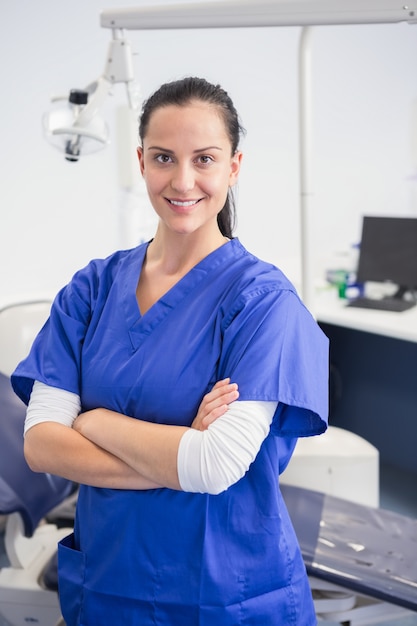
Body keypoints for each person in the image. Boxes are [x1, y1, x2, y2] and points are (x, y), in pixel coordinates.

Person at [12, 76, 329, 625]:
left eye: (204, 158)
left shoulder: (262, 301)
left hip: (226, 593)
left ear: (233, 166)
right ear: (141, 162)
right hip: (112, 583)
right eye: (164, 157)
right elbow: (41, 446)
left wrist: (93, 422)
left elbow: (216, 464)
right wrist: (178, 453)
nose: (183, 180)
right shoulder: (93, 288)